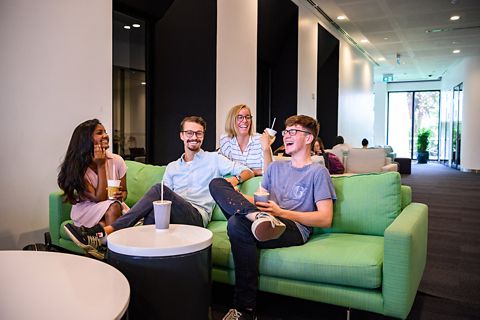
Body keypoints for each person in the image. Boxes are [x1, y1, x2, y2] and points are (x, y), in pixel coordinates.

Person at [64, 116, 254, 259]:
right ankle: (130, 260)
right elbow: (163, 200)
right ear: (182, 136)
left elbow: (247, 170)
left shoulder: (214, 159)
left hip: (196, 216)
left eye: (198, 133)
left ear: (203, 136)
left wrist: (234, 180)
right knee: (153, 214)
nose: (193, 137)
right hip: (172, 214)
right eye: (189, 133)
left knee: (158, 190)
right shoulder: (172, 167)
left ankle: (105, 232)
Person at [209, 115, 336, 320]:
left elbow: (325, 218)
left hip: (294, 226)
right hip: (263, 217)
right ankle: (256, 217)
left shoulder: (318, 172)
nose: (286, 136)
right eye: (286, 132)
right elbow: (260, 198)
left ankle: (245, 310)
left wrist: (281, 213)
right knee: (217, 184)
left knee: (236, 224)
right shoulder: (276, 167)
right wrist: (237, 198)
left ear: (309, 138)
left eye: (293, 131)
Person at [58, 119, 129, 259]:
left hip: (110, 208)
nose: (106, 135)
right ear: (87, 140)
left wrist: (122, 195)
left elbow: (125, 191)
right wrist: (100, 165)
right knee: (114, 207)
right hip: (87, 210)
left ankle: (100, 250)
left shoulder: (117, 161)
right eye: (99, 133)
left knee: (106, 220)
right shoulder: (77, 168)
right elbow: (100, 198)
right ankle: (117, 257)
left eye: (105, 132)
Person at [219, 104, 274, 175]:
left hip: (257, 183)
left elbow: (270, 171)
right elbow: (223, 168)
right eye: (240, 117)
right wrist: (253, 171)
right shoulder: (225, 140)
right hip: (234, 184)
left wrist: (266, 148)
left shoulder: (261, 139)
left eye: (247, 117)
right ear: (232, 120)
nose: (245, 120)